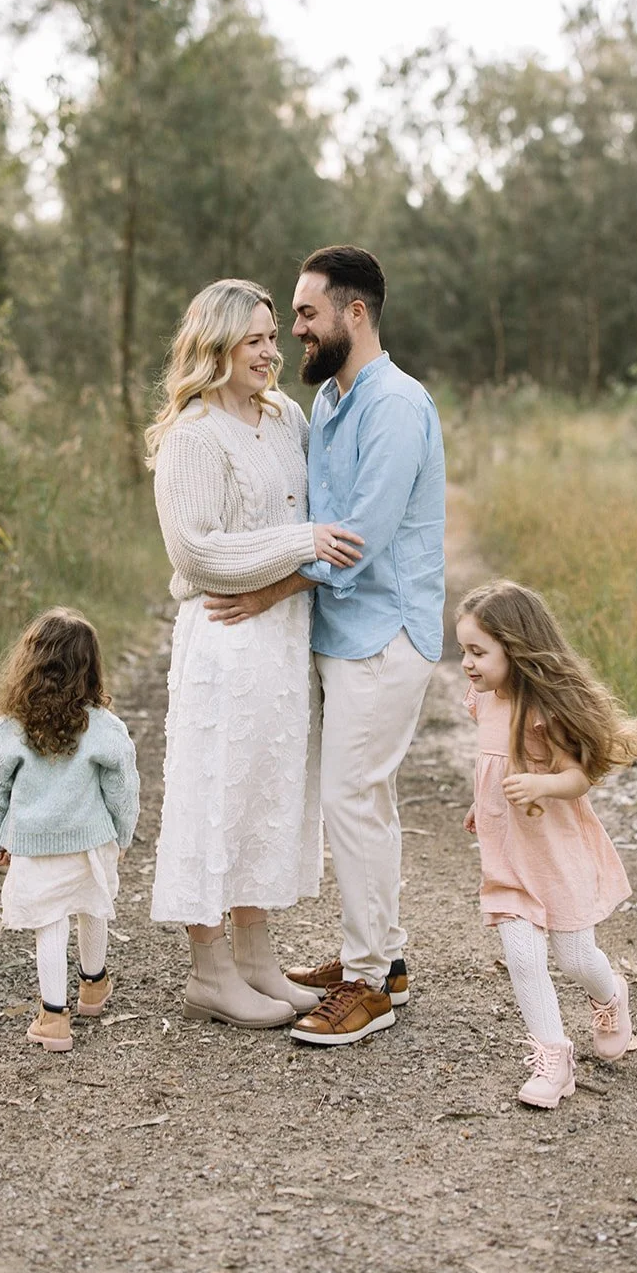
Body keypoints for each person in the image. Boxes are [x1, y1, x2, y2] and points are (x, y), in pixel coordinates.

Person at [204, 247, 445, 1046]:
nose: (296, 331)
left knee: (349, 799)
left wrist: (267, 591)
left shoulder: (395, 406)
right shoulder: (334, 403)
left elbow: (361, 540)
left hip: (385, 633)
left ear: (354, 314)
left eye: (305, 315)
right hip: (341, 635)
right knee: (360, 798)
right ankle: (384, 961)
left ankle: (369, 980)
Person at [146, 278, 363, 1029]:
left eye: (274, 337)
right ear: (215, 347)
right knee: (216, 798)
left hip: (279, 638)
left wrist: (298, 559)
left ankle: (257, 960)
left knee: (267, 798)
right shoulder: (193, 435)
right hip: (224, 640)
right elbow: (199, 554)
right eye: (255, 341)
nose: (272, 353)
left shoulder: (283, 417)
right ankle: (209, 972)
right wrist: (300, 544)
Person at [456, 579, 637, 1108]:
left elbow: (578, 778)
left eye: (479, 652)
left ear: (515, 650)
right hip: (507, 852)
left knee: (573, 955)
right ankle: (552, 1056)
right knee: (521, 953)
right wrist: (485, 802)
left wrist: (540, 784)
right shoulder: (484, 699)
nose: (468, 664)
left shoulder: (545, 708)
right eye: (464, 651)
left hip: (555, 849)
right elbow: (493, 764)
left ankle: (609, 994)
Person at [0, 607, 140, 1054]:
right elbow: (123, 786)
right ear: (90, 668)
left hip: (34, 845)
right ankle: (93, 986)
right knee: (91, 907)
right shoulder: (103, 727)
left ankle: (53, 1017)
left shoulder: (10, 729)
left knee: (50, 922)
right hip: (92, 840)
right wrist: (123, 834)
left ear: (28, 664)